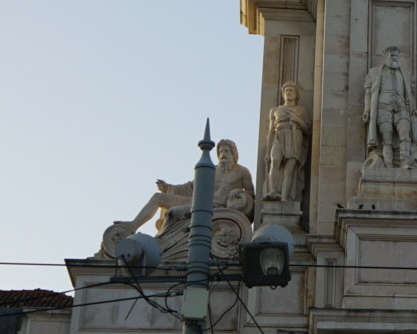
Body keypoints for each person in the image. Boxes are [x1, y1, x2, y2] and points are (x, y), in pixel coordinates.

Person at [113, 138, 255, 236]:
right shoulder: (211, 170)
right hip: (197, 202)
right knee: (157, 197)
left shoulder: (242, 172)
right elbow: (192, 187)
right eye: (221, 152)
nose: (223, 155)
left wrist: (238, 192)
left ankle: (161, 240)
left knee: (172, 213)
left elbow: (251, 195)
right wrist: (168, 187)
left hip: (214, 207)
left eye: (226, 151)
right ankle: (132, 226)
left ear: (234, 153)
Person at [363, 46, 417, 169]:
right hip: (383, 108)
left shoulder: (406, 74)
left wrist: (413, 109)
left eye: (396, 56)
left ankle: (405, 162)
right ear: (386, 56)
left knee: (405, 135)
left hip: (401, 108)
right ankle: (388, 165)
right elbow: (368, 93)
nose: (394, 58)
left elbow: (411, 94)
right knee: (386, 140)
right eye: (392, 55)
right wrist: (367, 110)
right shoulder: (374, 72)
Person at [265, 82, 310, 202]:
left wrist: (297, 120)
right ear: (283, 94)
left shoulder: (302, 110)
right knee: (275, 161)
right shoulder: (275, 110)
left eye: (291, 90)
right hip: (279, 136)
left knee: (290, 169)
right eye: (286, 91)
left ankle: (284, 197)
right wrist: (267, 152)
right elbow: (270, 132)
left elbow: (307, 130)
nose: (288, 92)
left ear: (296, 94)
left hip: (295, 137)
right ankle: (273, 190)